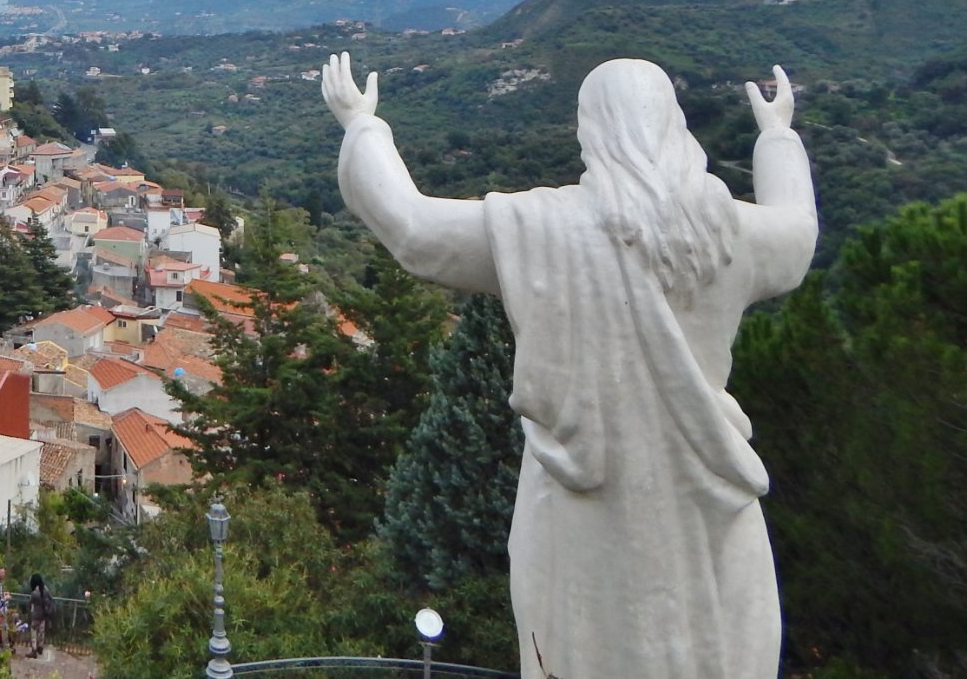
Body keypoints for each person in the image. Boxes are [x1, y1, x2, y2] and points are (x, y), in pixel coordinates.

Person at [322, 53, 817, 679]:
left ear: (589, 132)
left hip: (585, 506)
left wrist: (361, 125)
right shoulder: (731, 233)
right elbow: (799, 233)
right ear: (675, 123)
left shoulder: (545, 227)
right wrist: (777, 137)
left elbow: (417, 231)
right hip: (710, 501)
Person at [27, 574, 52, 657]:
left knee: (33, 631)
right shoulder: (46, 590)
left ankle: (34, 650)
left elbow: (30, 602)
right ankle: (40, 646)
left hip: (36, 615)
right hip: (44, 614)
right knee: (41, 631)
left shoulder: (34, 593)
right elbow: (50, 600)